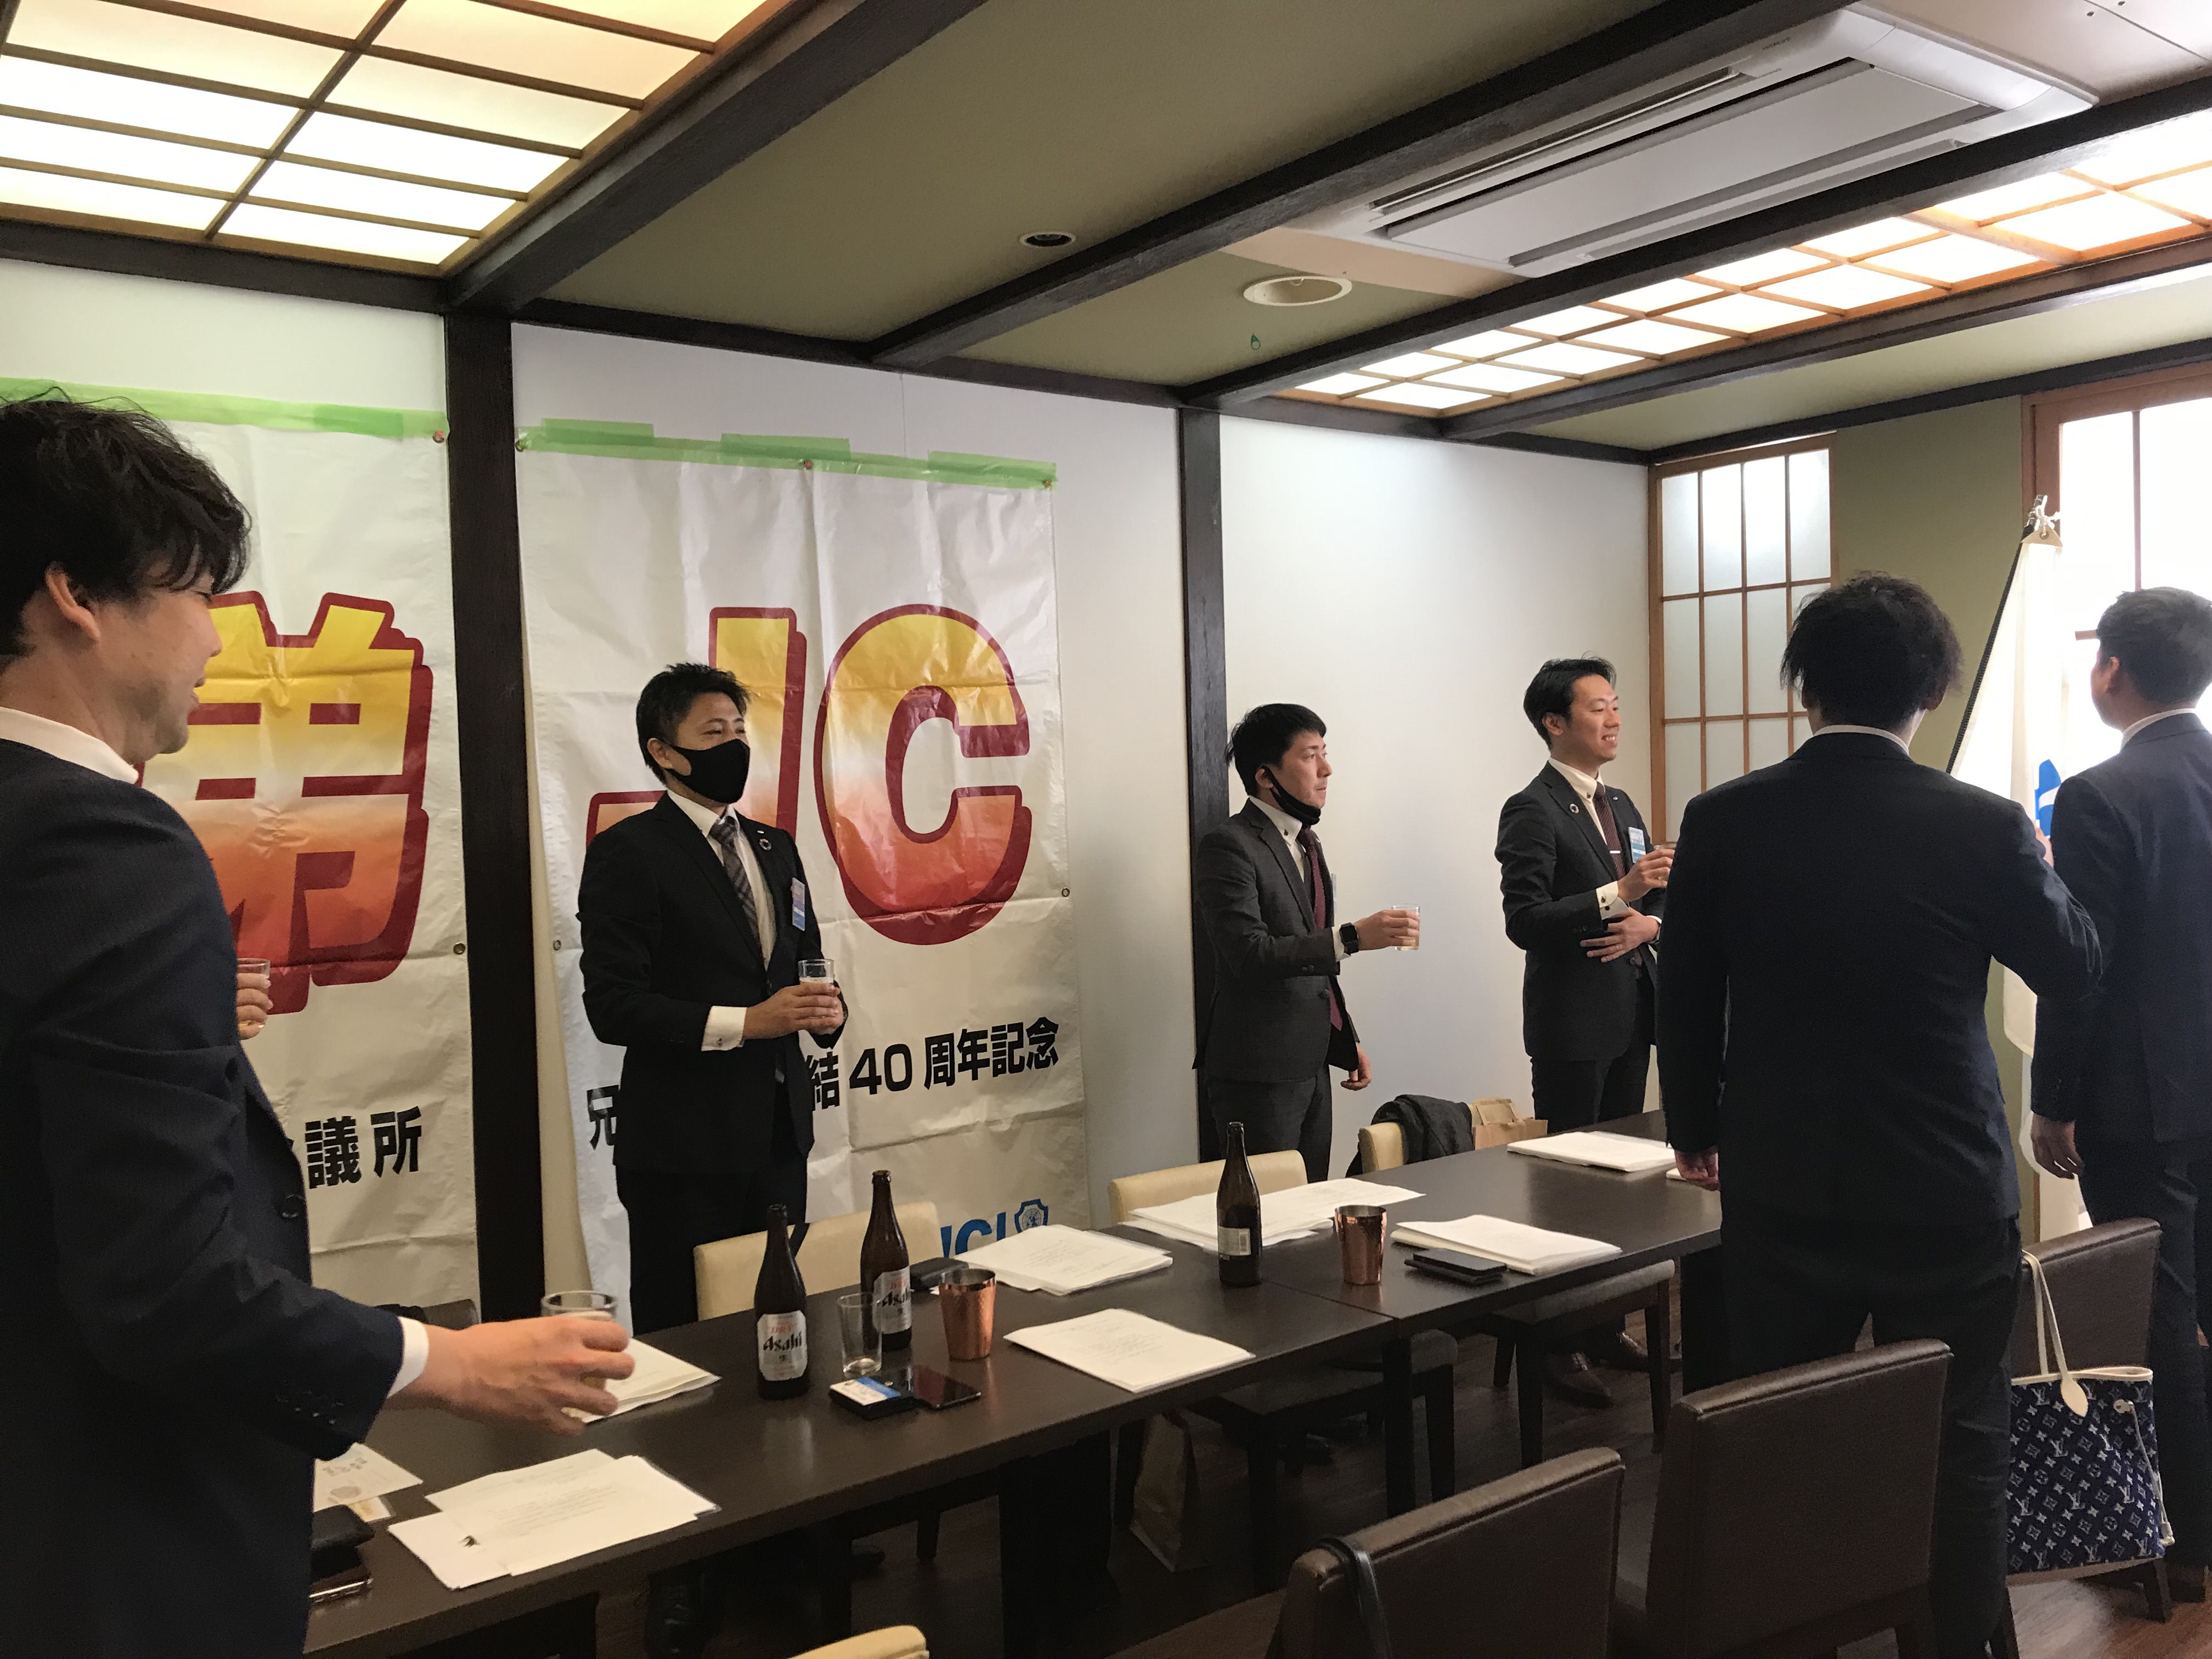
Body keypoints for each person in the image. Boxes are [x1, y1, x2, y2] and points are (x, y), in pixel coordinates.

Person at [0, 393, 634, 1659]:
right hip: (118, 1552)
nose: (215, 637)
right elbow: (162, 1285)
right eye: (198, 593)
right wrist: (451, 1365)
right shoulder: (101, 844)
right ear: (75, 594)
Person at [1659, 573, 2098, 1659]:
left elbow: (1686, 991)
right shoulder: (1984, 826)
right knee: (1961, 1441)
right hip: (1944, 1187)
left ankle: (1792, 1633)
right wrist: (2044, 875)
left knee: (1779, 1431)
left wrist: (1694, 1129)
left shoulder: (1723, 818)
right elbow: (2076, 966)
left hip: (1782, 1181)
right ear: (1933, 692)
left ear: (1804, 687)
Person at [2029, 585, 2212, 1601]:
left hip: (2138, 1097)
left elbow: (2082, 971)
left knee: (2158, 1313)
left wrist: (2052, 1097)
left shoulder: (2101, 795)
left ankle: (2180, 1541)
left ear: (2112, 670)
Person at [579, 662, 846, 1338]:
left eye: (739, 730)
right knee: (689, 1337)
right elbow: (613, 1006)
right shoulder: (629, 852)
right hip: (684, 1150)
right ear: (664, 753)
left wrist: (826, 1011)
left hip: (780, 1136)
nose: (734, 745)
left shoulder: (775, 847)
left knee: (779, 1322)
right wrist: (749, 1023)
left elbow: (803, 962)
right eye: (713, 732)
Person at [1496, 657, 1671, 1406]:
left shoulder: (1621, 803)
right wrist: (1614, 894)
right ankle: (1557, 1342)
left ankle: (1605, 1324)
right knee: (1570, 1189)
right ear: (1554, 722)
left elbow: (1654, 896)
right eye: (1598, 708)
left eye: (1616, 706)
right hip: (1572, 1022)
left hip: (1632, 1012)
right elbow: (1525, 920)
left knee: (1624, 1185)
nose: (1614, 719)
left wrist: (1649, 922)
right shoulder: (1532, 809)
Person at [1194, 703, 1417, 1183]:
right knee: (1265, 1208)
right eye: (1310, 756)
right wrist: (1353, 937)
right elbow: (1249, 954)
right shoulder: (1229, 845)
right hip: (1258, 1070)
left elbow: (1313, 958)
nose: (1326, 769)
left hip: (1313, 1061)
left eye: (1324, 753)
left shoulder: (1306, 842)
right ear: (1265, 776)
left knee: (1312, 1201)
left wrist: (1344, 1035)